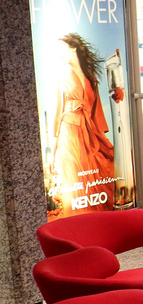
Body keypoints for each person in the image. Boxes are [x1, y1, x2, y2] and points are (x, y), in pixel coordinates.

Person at [48, 33, 117, 216]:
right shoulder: (62, 76)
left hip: (89, 131)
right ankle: (78, 220)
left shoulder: (90, 78)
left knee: (99, 171)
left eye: (62, 48)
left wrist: (101, 137)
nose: (59, 53)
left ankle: (99, 219)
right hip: (69, 132)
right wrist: (52, 153)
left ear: (73, 48)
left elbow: (96, 110)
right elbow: (56, 114)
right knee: (75, 180)